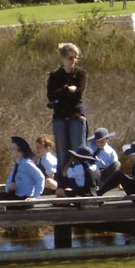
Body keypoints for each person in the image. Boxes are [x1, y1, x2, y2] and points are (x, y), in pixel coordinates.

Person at [46, 42, 88, 183]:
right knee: (63, 152)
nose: (73, 61)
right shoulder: (55, 76)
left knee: (78, 151)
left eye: (76, 57)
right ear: (63, 57)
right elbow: (51, 96)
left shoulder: (81, 73)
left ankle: (81, 183)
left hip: (76, 115)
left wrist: (64, 94)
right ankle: (63, 184)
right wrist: (66, 90)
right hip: (60, 116)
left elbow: (78, 94)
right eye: (70, 58)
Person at [0, 136, 45, 201]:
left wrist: (34, 196)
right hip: (15, 196)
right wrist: (9, 188)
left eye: (13, 149)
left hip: (24, 198)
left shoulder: (27, 163)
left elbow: (40, 177)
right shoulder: (17, 165)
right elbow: (9, 181)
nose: (10, 151)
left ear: (20, 151)